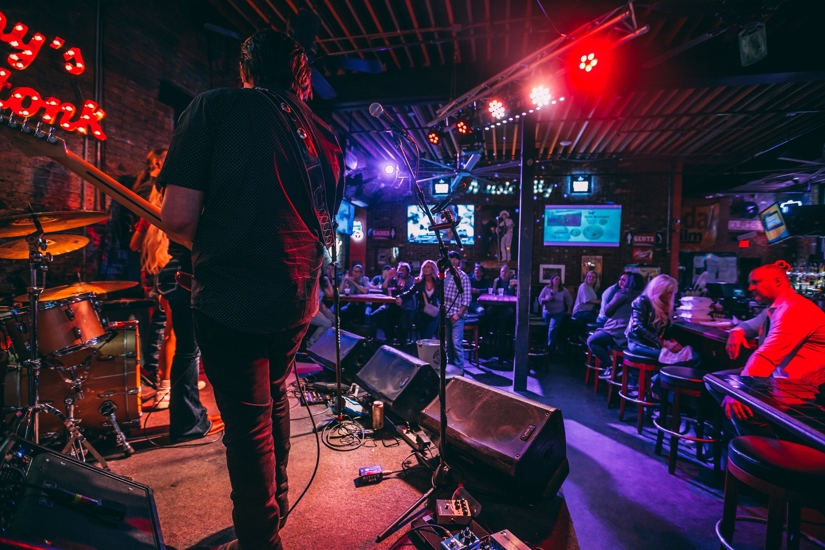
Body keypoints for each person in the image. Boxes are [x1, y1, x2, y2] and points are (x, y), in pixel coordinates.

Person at [160, 29, 343, 550]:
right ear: (303, 82)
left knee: (247, 427)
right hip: (297, 297)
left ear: (245, 73)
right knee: (274, 391)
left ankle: (261, 539)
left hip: (232, 297)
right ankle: (277, 504)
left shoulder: (214, 107)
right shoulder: (327, 136)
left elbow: (178, 218)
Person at [719, 263, 825, 436]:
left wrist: (739, 391)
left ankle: (774, 446)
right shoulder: (776, 308)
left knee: (735, 399)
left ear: (777, 281)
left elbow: (767, 356)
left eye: (755, 282)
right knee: (718, 382)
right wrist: (736, 332)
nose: (750, 288)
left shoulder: (795, 308)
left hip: (807, 393)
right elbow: (750, 325)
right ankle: (742, 444)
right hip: (783, 383)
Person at [129, 184, 173, 401]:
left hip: (157, 271)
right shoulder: (176, 210)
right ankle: (166, 384)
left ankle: (160, 377)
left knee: (161, 325)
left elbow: (133, 245)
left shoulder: (148, 214)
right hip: (174, 268)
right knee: (172, 331)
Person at [625, 274, 694, 362]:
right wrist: (664, 343)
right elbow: (638, 327)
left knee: (691, 356)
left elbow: (665, 329)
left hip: (654, 343)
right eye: (667, 292)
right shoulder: (642, 301)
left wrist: (671, 340)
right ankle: (661, 372)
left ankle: (663, 372)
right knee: (680, 358)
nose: (669, 296)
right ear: (658, 290)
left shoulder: (664, 303)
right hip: (638, 343)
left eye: (671, 293)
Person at [587, 273, 644, 377]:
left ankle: (611, 367)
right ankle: (625, 370)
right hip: (634, 335)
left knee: (591, 341)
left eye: (625, 280)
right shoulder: (643, 296)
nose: (623, 282)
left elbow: (607, 311)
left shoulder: (623, 293)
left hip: (618, 330)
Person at [396, 260, 441, 340]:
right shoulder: (419, 282)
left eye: (428, 267)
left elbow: (442, 296)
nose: (426, 269)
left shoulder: (438, 283)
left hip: (433, 313)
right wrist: (400, 296)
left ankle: (427, 348)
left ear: (433, 269)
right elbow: (410, 292)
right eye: (424, 267)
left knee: (428, 337)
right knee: (423, 338)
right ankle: (423, 349)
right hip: (421, 313)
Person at [444, 251, 472, 371]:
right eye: (451, 258)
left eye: (456, 259)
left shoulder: (463, 276)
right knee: (447, 344)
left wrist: (458, 314)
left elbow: (467, 299)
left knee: (456, 344)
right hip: (445, 313)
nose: (454, 261)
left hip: (457, 314)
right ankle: (450, 370)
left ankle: (460, 372)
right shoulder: (444, 274)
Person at [539, 275, 572, 351]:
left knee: (552, 328)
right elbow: (540, 299)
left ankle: (549, 347)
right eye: (556, 279)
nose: (557, 280)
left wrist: (569, 310)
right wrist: (546, 299)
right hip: (547, 312)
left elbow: (569, 299)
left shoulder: (563, 290)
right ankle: (545, 345)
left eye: (559, 280)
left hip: (558, 312)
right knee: (545, 329)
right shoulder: (546, 288)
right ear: (552, 280)